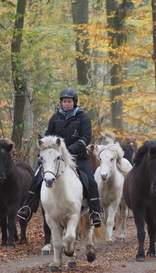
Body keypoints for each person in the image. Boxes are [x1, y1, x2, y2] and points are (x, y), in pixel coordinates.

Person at [17, 88, 102, 227]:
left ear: (74, 102)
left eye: (69, 101)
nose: (66, 104)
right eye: (64, 101)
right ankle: (27, 207)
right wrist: (45, 148)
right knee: (38, 176)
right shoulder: (55, 118)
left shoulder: (83, 118)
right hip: (55, 158)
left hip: (77, 157)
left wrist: (67, 150)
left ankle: (95, 212)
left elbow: (85, 138)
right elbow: (48, 134)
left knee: (90, 180)